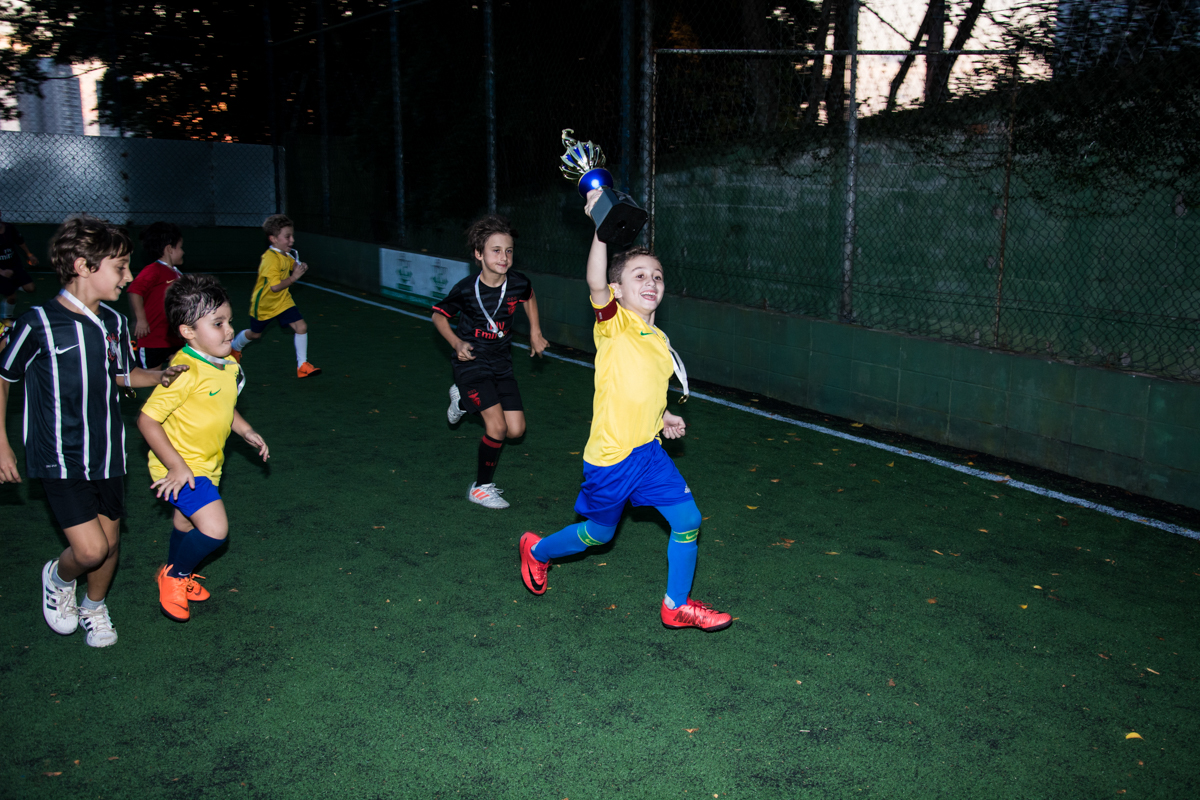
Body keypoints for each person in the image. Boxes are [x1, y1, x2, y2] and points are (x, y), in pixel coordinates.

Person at [518, 190, 732, 632]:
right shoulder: (615, 323)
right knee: (597, 534)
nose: (651, 282)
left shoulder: (657, 339)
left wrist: (663, 417)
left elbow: (642, 390)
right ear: (619, 289)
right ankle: (536, 550)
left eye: (657, 275)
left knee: (688, 520)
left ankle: (676, 605)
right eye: (639, 276)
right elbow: (596, 282)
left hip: (648, 451)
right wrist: (602, 231)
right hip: (612, 458)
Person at [0, 214, 188, 647]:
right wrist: (2, 445)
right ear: (84, 266)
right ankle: (57, 576)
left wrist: (160, 375)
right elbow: (4, 378)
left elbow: (122, 376)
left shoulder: (116, 324)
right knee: (89, 550)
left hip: (107, 453)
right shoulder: (38, 323)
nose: (128, 277)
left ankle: (94, 606)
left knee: (110, 540)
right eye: (120, 267)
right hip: (57, 454)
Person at [137, 274, 268, 622]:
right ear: (188, 332)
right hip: (179, 467)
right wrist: (177, 467)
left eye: (229, 321)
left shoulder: (226, 365)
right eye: (217, 323)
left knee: (184, 524)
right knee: (215, 530)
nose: (228, 330)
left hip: (208, 464)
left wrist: (245, 430)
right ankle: (175, 576)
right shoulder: (184, 371)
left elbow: (224, 407)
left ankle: (175, 570)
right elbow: (147, 421)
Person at [431, 215, 548, 509]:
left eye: (508, 250)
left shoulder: (518, 282)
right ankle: (481, 488)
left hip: (502, 362)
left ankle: (461, 402)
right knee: (496, 429)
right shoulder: (466, 289)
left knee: (516, 430)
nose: (504, 257)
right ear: (478, 254)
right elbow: (438, 315)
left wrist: (535, 332)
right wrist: (456, 343)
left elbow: (530, 297)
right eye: (495, 250)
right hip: (471, 361)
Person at [230, 214, 321, 378]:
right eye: (287, 237)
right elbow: (274, 287)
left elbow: (293, 264)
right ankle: (235, 347)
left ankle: (302, 366)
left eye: (292, 235)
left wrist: (300, 267)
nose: (292, 240)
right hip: (265, 305)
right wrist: (294, 277)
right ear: (273, 238)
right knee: (255, 334)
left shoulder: (285, 253)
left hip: (283, 302)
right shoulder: (270, 259)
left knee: (301, 327)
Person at [128, 221, 185, 369]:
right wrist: (141, 320)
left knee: (180, 370)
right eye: (180, 247)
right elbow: (135, 291)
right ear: (169, 249)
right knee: (153, 375)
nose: (183, 252)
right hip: (153, 339)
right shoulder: (153, 270)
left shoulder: (178, 274)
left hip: (174, 338)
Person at [0, 209, 39, 327]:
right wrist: (1, 272)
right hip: (2, 271)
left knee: (30, 288)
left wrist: (29, 254)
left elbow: (20, 241)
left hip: (14, 266)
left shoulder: (9, 228)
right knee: (12, 297)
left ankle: (10, 289)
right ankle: (6, 317)